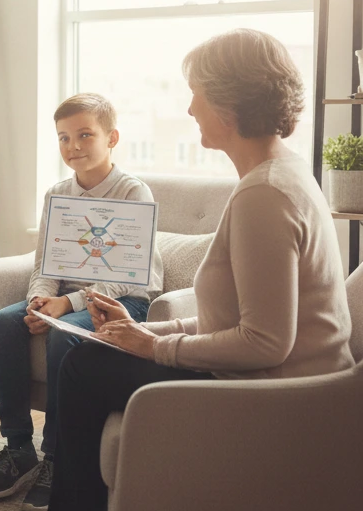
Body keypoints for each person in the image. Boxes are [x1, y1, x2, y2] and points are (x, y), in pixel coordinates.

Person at [48, 29, 356, 511]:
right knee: (93, 354)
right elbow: (238, 317)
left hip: (282, 400)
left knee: (82, 368)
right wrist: (143, 330)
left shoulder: (265, 195)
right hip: (279, 380)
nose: (190, 109)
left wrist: (155, 346)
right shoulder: (278, 174)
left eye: (197, 95)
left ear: (229, 108)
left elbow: (265, 342)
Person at [0, 93, 163, 509]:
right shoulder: (58, 193)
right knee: (5, 321)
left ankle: (56, 457)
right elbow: (45, 263)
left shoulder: (133, 192)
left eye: (84, 135)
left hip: (122, 301)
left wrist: (72, 304)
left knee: (65, 338)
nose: (73, 146)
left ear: (112, 137)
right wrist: (39, 299)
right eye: (63, 138)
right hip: (65, 297)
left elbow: (131, 277)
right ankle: (17, 447)